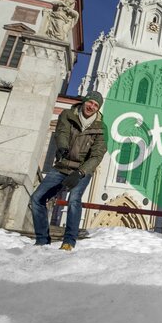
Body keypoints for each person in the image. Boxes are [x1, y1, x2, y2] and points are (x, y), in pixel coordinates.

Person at [29, 90, 107, 251]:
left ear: (98, 108)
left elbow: (97, 155)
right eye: (90, 102)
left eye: (96, 105)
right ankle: (42, 239)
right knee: (37, 198)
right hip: (63, 165)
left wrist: (80, 173)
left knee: (74, 199)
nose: (91, 106)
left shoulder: (101, 127)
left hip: (82, 169)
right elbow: (62, 132)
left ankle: (69, 242)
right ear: (85, 101)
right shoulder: (68, 114)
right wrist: (62, 147)